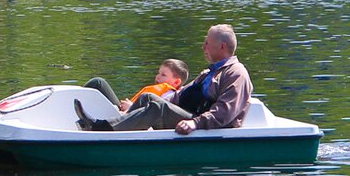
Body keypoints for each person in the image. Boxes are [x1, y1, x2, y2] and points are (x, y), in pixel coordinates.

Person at [75, 24, 251, 134]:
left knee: (158, 106)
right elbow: (179, 96)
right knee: (149, 98)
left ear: (221, 47)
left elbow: (224, 113)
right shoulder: (209, 72)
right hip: (188, 115)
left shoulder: (236, 74)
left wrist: (195, 123)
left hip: (208, 127)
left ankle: (101, 128)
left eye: (207, 43)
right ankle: (120, 128)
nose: (202, 46)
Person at [84, 58, 189, 113]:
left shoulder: (169, 96)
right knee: (98, 82)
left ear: (176, 82)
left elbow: (154, 114)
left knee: (98, 82)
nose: (157, 77)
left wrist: (131, 108)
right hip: (123, 112)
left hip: (127, 118)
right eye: (158, 73)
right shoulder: (158, 90)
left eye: (163, 75)